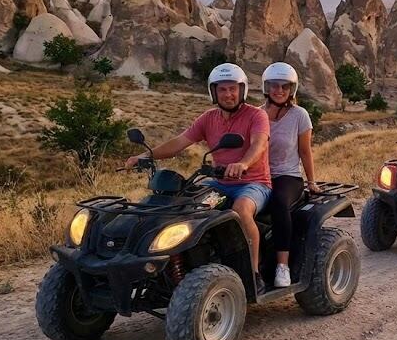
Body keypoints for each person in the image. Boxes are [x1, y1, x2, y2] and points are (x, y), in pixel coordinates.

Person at [124, 63, 271, 292]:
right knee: (185, 207)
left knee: (242, 210)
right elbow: (179, 143)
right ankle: (185, 265)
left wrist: (243, 163)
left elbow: (259, 145)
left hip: (253, 183)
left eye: (233, 89)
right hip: (219, 183)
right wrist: (146, 155)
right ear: (213, 92)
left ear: (241, 90)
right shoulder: (208, 118)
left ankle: (253, 273)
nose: (228, 94)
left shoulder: (256, 115)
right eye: (222, 89)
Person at [262, 62, 320, 288]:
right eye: (274, 86)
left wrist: (311, 181)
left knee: (278, 202)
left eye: (284, 86)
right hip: (260, 175)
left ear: (291, 90)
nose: (279, 90)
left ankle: (282, 266)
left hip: (288, 176)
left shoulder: (300, 115)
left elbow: (305, 151)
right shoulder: (257, 114)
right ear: (266, 87)